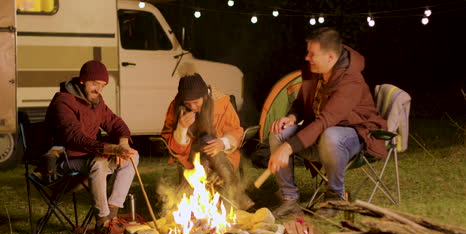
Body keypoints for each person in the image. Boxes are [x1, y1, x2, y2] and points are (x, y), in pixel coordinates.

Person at [268, 28, 387, 218]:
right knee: (278, 132)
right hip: (320, 135)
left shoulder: (351, 81)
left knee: (331, 135)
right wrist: (291, 118)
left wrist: (288, 148)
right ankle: (289, 199)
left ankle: (334, 198)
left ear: (331, 57)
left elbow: (326, 121)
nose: (307, 58)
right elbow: (300, 103)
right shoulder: (315, 71)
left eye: (312, 54)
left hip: (355, 136)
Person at [45, 60, 139, 234]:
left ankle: (112, 214)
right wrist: (109, 148)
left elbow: (115, 122)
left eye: (102, 86)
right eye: (95, 84)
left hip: (88, 160)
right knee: (98, 164)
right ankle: (102, 221)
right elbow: (75, 138)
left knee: (132, 156)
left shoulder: (96, 101)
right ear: (82, 80)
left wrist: (123, 143)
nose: (98, 90)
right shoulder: (63, 102)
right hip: (63, 163)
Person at [161, 64, 253, 210]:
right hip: (190, 155)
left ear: (205, 96)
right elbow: (173, 147)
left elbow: (235, 130)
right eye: (188, 104)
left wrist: (222, 143)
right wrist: (181, 128)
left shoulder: (220, 102)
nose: (192, 107)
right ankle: (236, 193)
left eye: (196, 103)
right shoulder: (176, 107)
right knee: (205, 143)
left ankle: (190, 206)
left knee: (206, 150)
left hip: (220, 155)